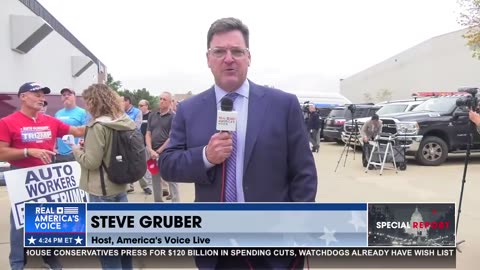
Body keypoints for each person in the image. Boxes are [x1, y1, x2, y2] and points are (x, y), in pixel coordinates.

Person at [159, 17, 317, 269]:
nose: (228, 58)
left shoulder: (283, 104)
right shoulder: (189, 110)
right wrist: (206, 157)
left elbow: (304, 172)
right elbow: (167, 164)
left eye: (236, 51)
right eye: (219, 51)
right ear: (208, 58)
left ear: (249, 57)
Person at [0, 82, 86, 270]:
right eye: (36, 94)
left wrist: (103, 121)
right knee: (20, 222)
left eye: (43, 95)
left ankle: (49, 256)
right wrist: (28, 151)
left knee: (48, 219)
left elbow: (79, 131)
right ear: (22, 97)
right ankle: (17, 262)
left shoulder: (51, 121)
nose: (42, 98)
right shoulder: (7, 122)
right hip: (22, 177)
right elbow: (1, 152)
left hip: (48, 177)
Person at [71, 84, 134, 269]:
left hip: (101, 191)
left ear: (94, 102)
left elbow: (91, 163)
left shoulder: (97, 126)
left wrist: (77, 151)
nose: (86, 106)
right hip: (120, 186)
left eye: (87, 101)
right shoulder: (122, 122)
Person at [146, 92, 180, 202]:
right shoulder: (152, 115)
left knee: (171, 179)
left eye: (164, 99)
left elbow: (171, 137)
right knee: (155, 180)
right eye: (160, 98)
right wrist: (150, 149)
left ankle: (176, 203)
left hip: (167, 153)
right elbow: (148, 133)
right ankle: (158, 204)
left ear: (170, 102)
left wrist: (159, 151)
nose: (161, 101)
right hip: (152, 153)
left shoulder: (173, 117)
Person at [54, 88, 87, 163]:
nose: (66, 96)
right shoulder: (58, 114)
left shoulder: (83, 113)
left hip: (74, 153)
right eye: (64, 95)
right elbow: (54, 132)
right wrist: (53, 148)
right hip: (60, 154)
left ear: (75, 97)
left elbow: (87, 132)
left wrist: (78, 148)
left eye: (69, 94)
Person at [123, 95, 142, 193]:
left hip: (134, 141)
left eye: (122, 101)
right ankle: (129, 185)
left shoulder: (137, 112)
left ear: (128, 102)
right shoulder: (120, 112)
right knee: (126, 163)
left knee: (137, 163)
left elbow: (136, 126)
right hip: (124, 140)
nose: (121, 104)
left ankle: (145, 185)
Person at [137, 99, 153, 195]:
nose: (140, 107)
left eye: (142, 105)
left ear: (147, 106)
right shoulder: (138, 116)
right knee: (141, 165)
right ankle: (146, 186)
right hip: (139, 144)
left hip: (149, 144)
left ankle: (154, 184)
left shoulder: (152, 115)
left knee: (151, 165)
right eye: (139, 105)